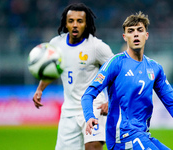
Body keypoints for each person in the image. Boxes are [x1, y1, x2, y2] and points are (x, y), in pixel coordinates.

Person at [81, 11, 173, 150]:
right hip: (122, 136)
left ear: (146, 35)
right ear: (125, 37)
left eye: (139, 30)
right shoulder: (116, 63)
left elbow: (170, 103)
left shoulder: (155, 68)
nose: (135, 34)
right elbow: (88, 94)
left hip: (142, 134)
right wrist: (89, 116)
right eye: (130, 31)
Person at [32, 3, 114, 150]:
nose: (75, 25)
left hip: (94, 107)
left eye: (80, 21)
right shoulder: (56, 44)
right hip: (69, 111)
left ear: (86, 23)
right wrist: (40, 89)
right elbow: (51, 70)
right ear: (65, 23)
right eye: (71, 21)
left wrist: (111, 100)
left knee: (93, 146)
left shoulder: (97, 47)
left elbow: (116, 72)